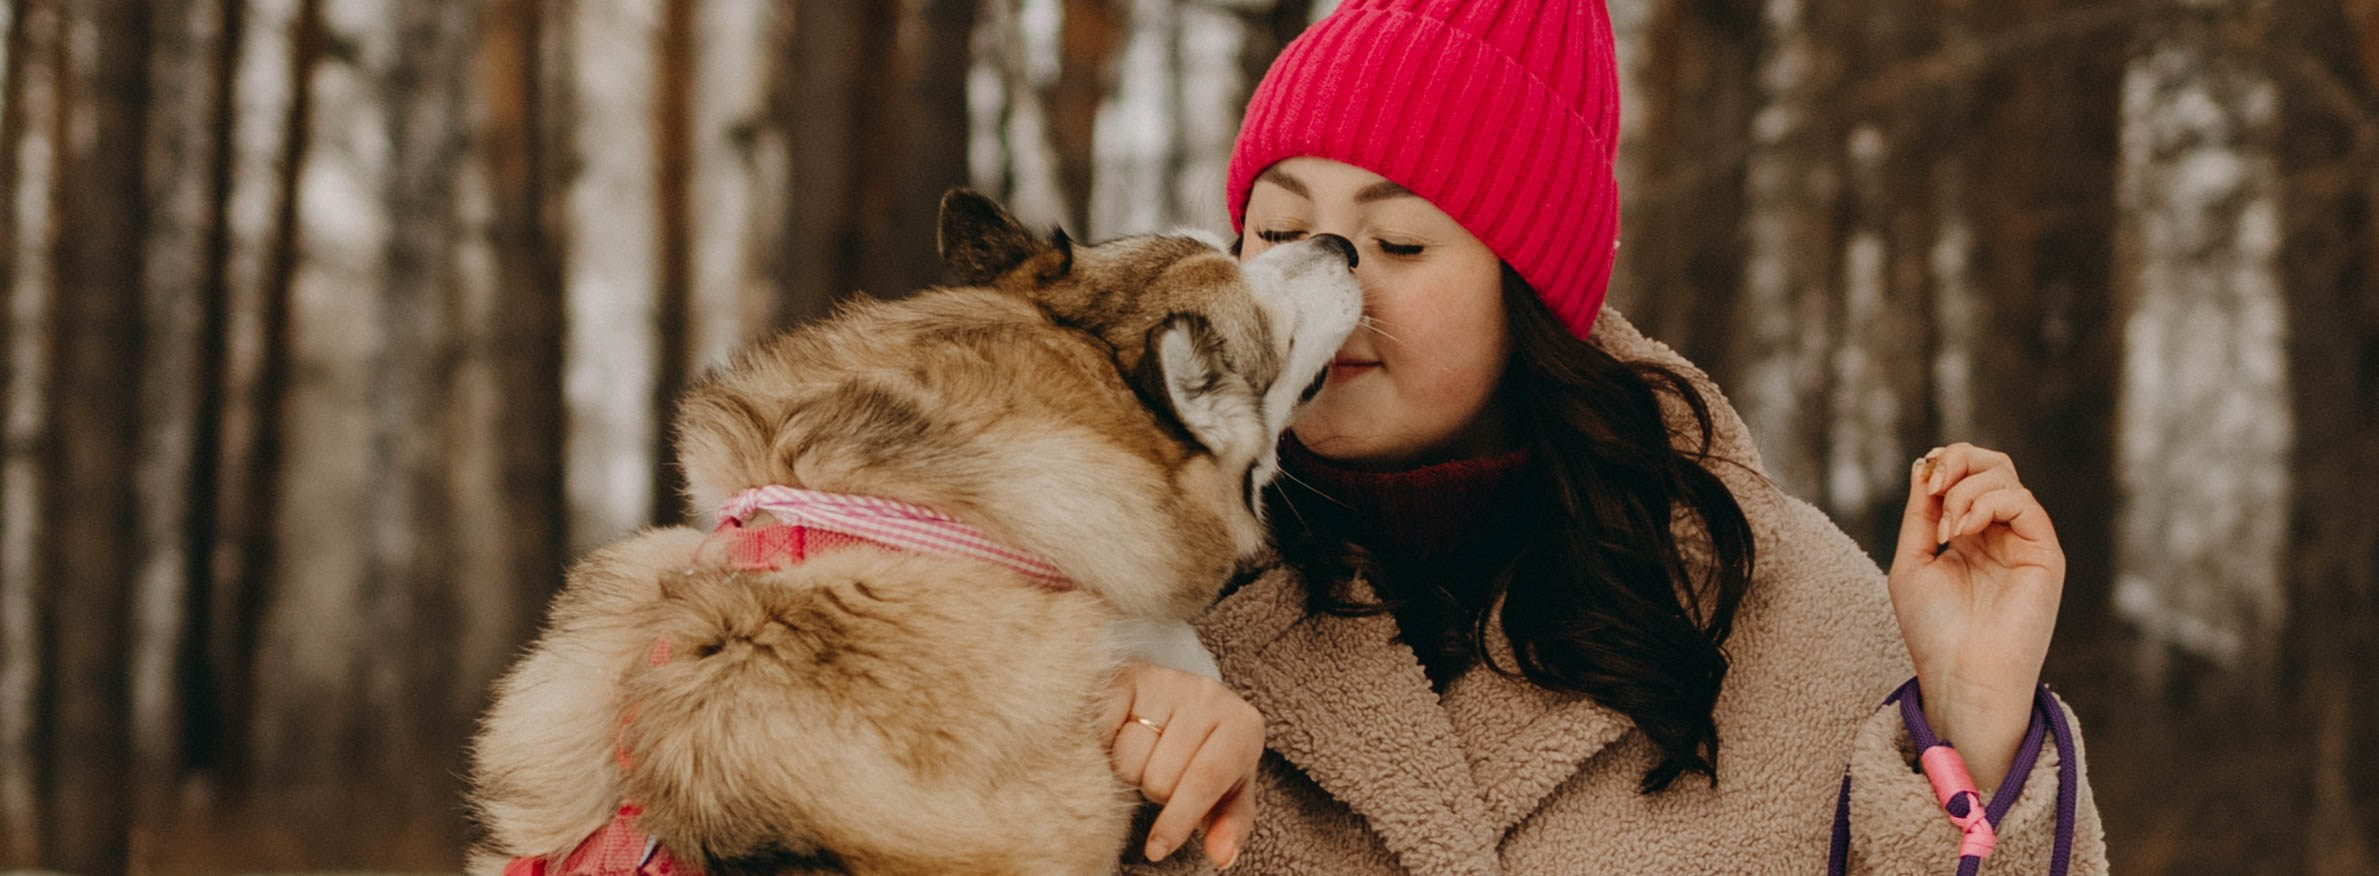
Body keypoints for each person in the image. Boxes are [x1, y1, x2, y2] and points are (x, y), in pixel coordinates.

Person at [1098, 0, 2108, 872]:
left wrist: (1976, 731)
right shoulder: (1110, 589)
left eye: (1398, 241)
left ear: (1530, 290)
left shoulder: (1786, 615)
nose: (1324, 290)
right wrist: (1067, 727)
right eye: (1278, 233)